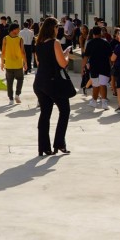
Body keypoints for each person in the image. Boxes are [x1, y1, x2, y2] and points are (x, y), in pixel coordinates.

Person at [34, 17, 72, 156]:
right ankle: (59, 143)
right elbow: (63, 64)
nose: (58, 30)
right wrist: (66, 55)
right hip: (52, 83)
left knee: (45, 114)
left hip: (39, 82)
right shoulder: (55, 43)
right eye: (57, 27)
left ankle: (43, 147)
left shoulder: (38, 43)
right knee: (65, 111)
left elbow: (40, 63)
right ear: (53, 28)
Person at [85, 26, 113, 111]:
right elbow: (110, 56)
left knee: (95, 84)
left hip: (94, 66)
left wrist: (84, 66)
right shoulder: (106, 43)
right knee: (103, 84)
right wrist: (111, 65)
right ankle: (104, 102)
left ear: (93, 34)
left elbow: (86, 56)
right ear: (100, 33)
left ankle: (94, 101)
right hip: (104, 66)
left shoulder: (90, 43)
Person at [0, 23, 27, 104]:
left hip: (8, 64)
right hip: (18, 64)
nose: (19, 31)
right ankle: (17, 95)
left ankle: (11, 99)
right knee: (20, 79)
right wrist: (25, 62)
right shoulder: (20, 39)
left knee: (9, 82)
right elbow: (23, 52)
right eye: (18, 29)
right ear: (13, 29)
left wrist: (2, 62)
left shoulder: (5, 38)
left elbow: (3, 52)